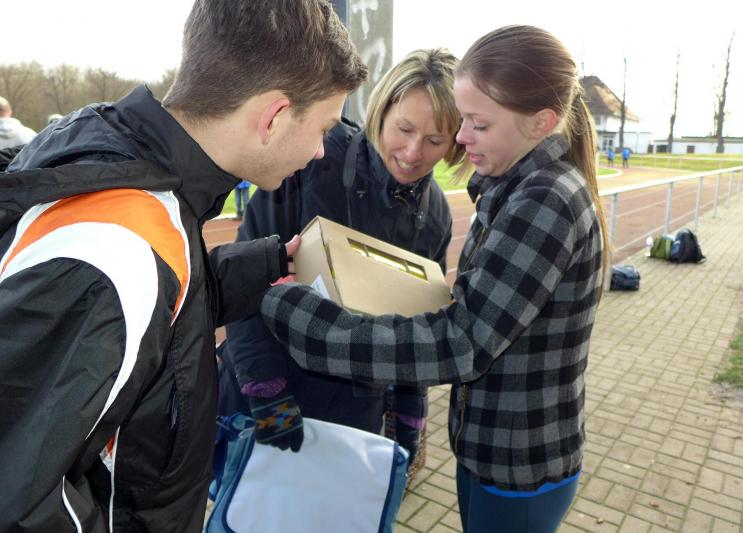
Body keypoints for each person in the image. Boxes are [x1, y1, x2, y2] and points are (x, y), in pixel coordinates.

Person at [0, 1, 366, 531]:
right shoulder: (119, 249)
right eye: (324, 128)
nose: (319, 153)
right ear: (274, 117)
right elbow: (18, 499)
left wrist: (263, 263)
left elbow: (158, 326)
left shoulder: (127, 159)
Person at [258, 25, 609, 533]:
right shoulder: (517, 190)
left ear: (541, 122)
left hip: (515, 462)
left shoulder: (543, 200)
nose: (462, 139)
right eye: (463, 122)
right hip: (496, 451)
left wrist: (307, 321)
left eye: (476, 125)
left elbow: (460, 339)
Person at [219, 48, 467, 466]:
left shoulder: (437, 214)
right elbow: (246, 278)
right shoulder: (312, 160)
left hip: (354, 419)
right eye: (404, 129)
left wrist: (409, 415)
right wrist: (266, 392)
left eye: (434, 141)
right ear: (382, 112)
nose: (412, 153)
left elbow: (418, 325)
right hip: (266, 404)